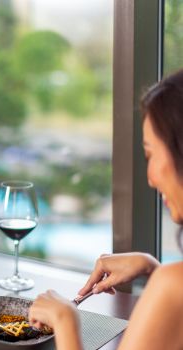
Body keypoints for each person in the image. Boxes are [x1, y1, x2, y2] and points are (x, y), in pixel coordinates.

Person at [28, 70, 183, 350]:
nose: (150, 178)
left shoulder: (173, 288)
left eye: (151, 154)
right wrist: (154, 269)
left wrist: (65, 321)